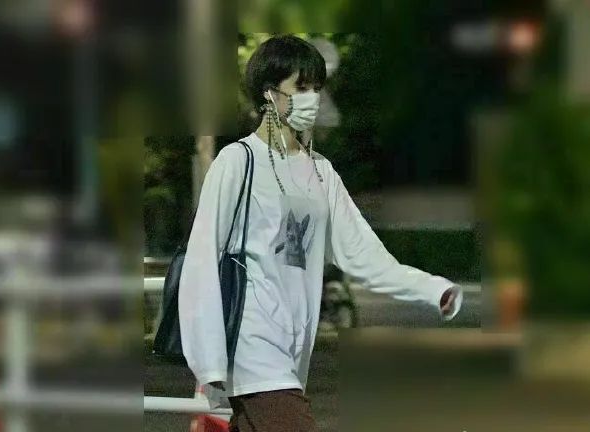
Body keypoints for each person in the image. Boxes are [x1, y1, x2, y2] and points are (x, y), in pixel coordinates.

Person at [178, 34, 462, 432]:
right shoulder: (238, 162)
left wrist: (433, 290)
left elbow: (362, 254)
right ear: (269, 93)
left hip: (295, 353)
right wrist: (208, 361)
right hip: (251, 346)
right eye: (300, 87)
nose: (311, 98)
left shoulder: (321, 172)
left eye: (316, 87)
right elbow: (202, 260)